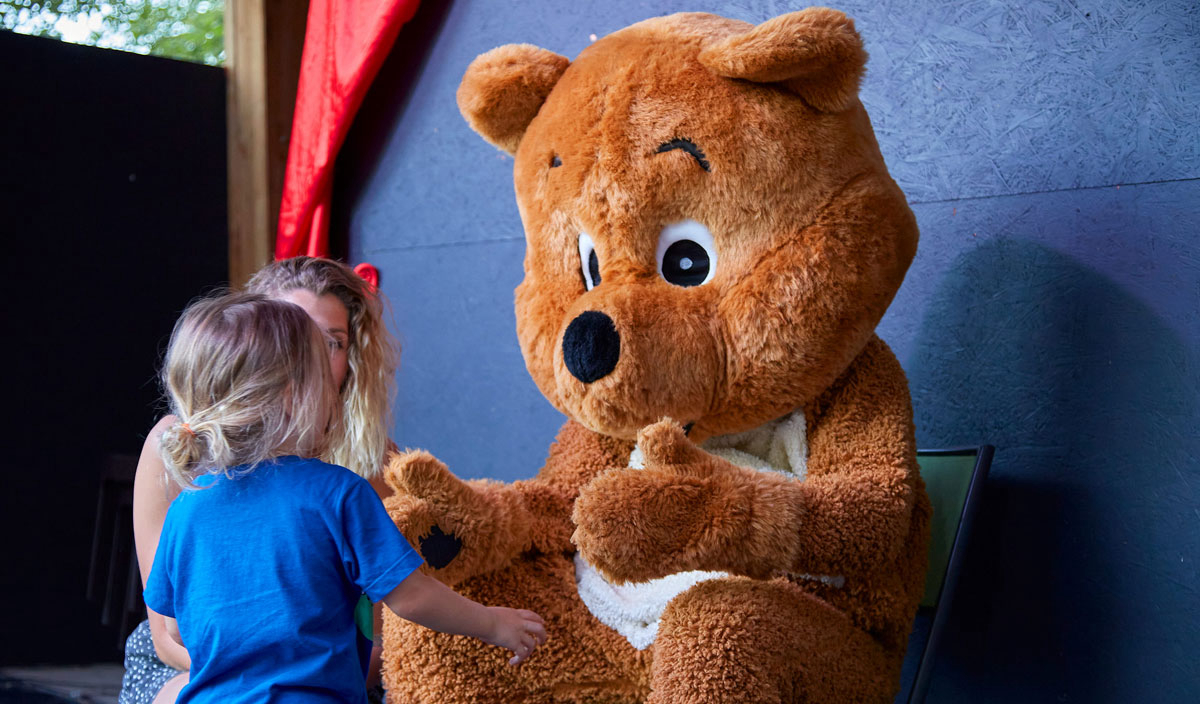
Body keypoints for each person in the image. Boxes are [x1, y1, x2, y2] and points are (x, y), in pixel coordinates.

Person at [141, 292, 546, 703]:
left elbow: (175, 628)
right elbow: (412, 596)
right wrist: (493, 623)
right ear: (292, 396)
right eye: (325, 383)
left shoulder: (187, 506)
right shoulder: (338, 492)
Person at [123, 257, 404, 704]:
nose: (306, 360)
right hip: (203, 663)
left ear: (350, 361)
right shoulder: (177, 445)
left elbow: (395, 628)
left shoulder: (373, 462)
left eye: (330, 343)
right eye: (292, 338)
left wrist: (313, 676)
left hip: (328, 665)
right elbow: (169, 635)